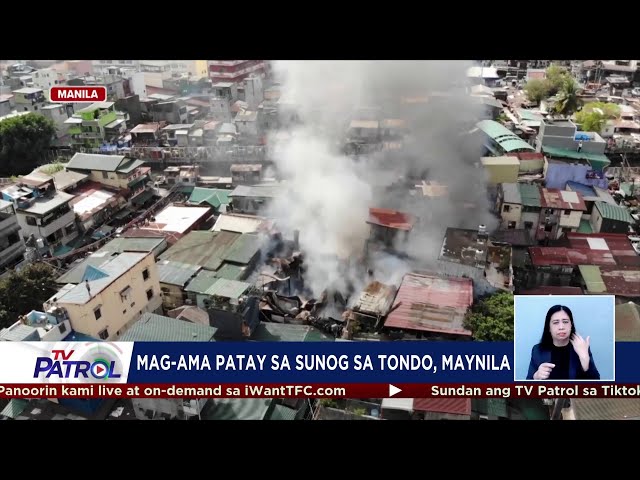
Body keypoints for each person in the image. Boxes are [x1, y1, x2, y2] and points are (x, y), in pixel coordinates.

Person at [527, 305, 600, 380]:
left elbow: (597, 383)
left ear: (571, 325)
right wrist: (536, 376)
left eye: (565, 322)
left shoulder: (581, 347)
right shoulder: (537, 350)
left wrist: (584, 358)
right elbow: (526, 383)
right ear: (549, 327)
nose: (561, 327)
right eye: (555, 323)